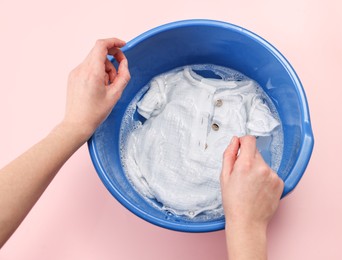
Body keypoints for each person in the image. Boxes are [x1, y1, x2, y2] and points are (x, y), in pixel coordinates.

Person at [0, 38, 284, 259]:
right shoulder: (171, 82)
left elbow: (266, 128)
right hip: (156, 176)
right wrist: (247, 227)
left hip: (216, 198)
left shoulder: (248, 97)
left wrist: (74, 125)